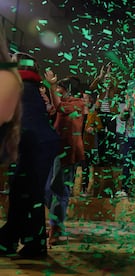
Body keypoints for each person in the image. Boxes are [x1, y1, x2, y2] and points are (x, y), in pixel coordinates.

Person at [0, 52, 60, 258]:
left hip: (34, 145)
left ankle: (14, 242)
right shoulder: (31, 87)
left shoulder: (17, 86)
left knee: (24, 193)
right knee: (26, 194)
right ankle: (21, 242)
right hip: (40, 144)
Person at [44, 71, 85, 246]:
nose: (57, 91)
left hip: (67, 153)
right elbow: (54, 108)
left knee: (59, 191)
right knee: (47, 190)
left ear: (68, 91)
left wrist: (51, 86)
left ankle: (57, 230)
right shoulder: (65, 102)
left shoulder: (78, 104)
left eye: (60, 88)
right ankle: (56, 222)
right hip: (55, 151)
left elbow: (59, 107)